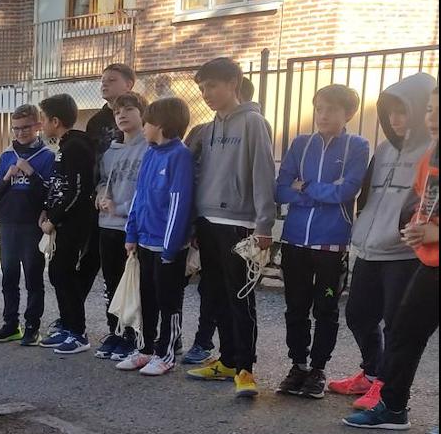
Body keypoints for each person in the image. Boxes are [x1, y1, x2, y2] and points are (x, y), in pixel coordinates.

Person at [330, 72, 438, 407]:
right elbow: (365, 196)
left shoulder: (431, 150)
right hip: (370, 247)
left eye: (404, 111)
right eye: (390, 112)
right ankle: (373, 371)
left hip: (403, 252)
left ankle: (386, 384)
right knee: (358, 316)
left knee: (397, 326)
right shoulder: (382, 148)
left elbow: (422, 202)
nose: (396, 119)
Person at [183, 57, 276, 398]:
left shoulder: (254, 122)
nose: (206, 93)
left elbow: (264, 174)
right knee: (215, 295)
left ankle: (246, 369)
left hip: (241, 225)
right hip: (208, 222)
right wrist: (195, 221)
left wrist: (264, 225)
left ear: (233, 83)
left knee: (240, 299)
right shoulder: (207, 130)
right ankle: (226, 360)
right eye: (203, 88)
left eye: (213, 86)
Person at [273, 84, 370, 398]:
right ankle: (297, 365)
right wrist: (313, 191)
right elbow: (281, 189)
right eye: (319, 108)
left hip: (332, 244)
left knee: (326, 308)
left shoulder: (357, 146)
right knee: (295, 307)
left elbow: (346, 191)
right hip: (295, 241)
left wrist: (306, 187)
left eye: (331, 109)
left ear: (348, 114)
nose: (323, 115)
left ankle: (318, 368)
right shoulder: (301, 143)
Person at [118, 97, 195, 376]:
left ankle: (166, 352)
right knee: (146, 298)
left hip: (167, 246)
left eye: (148, 122)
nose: (144, 128)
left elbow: (179, 203)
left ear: (159, 125)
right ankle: (146, 348)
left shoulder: (180, 156)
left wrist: (170, 248)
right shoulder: (150, 153)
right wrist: (132, 232)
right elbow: (139, 196)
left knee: (168, 300)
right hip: (145, 241)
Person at [39, 93, 100, 354]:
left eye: (42, 119)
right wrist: (46, 210)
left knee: (64, 273)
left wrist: (54, 219)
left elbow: (76, 190)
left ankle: (78, 332)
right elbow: (57, 185)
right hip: (61, 222)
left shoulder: (76, 146)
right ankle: (67, 325)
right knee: (57, 273)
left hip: (75, 223)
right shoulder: (64, 146)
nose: (41, 124)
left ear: (55, 120)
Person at [93, 92, 151, 360]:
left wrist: (124, 208)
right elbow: (103, 181)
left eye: (129, 110)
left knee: (132, 284)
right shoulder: (111, 152)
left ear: (143, 114)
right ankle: (115, 330)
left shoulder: (149, 148)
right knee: (111, 281)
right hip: (107, 224)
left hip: (130, 226)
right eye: (118, 112)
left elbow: (148, 191)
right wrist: (101, 195)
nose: (122, 115)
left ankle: (133, 334)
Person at [0, 104, 54, 345]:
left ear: (38, 126)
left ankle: (32, 326)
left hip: (31, 226)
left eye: (25, 127)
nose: (20, 133)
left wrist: (31, 174)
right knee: (9, 276)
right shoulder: (7, 155)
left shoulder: (47, 156)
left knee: (33, 278)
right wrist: (7, 176)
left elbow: (48, 195)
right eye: (15, 128)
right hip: (8, 224)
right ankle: (10, 323)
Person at [86, 63, 137, 158]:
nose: (105, 84)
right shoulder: (95, 121)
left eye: (112, 80)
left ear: (128, 85)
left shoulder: (143, 115)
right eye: (102, 81)